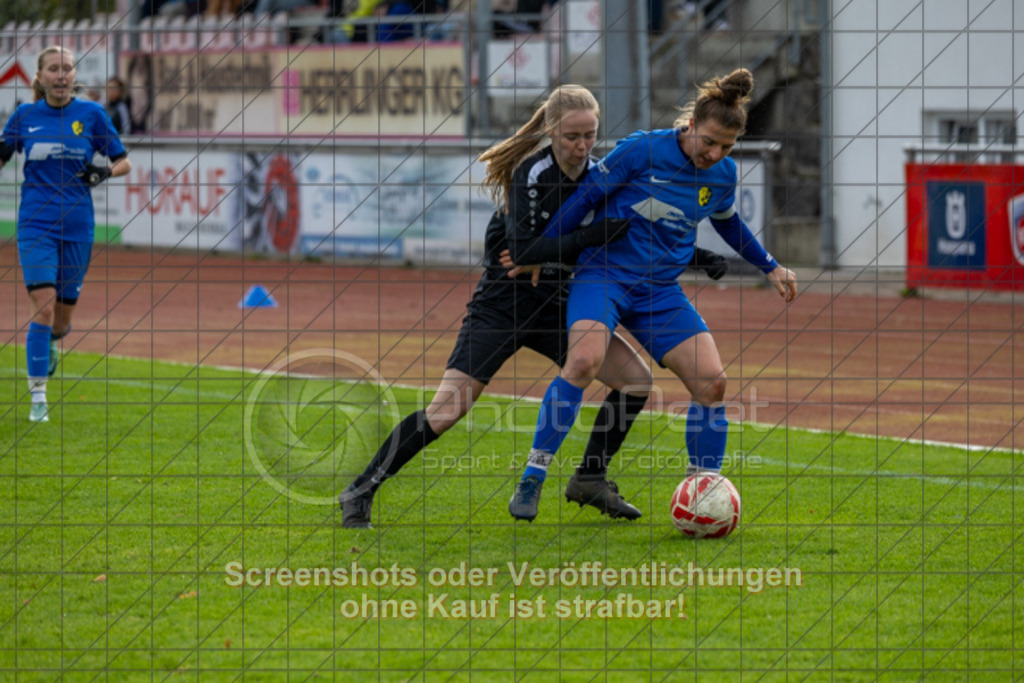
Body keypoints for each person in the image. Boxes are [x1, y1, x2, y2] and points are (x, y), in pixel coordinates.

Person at [338, 84, 727, 528]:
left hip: (559, 304)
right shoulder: (532, 173)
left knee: (635, 382)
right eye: (571, 137)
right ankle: (361, 489)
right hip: (503, 305)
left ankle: (590, 478)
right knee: (448, 410)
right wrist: (569, 246)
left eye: (590, 136)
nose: (582, 147)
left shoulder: (602, 175)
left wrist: (703, 258)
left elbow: (631, 238)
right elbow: (523, 253)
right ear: (550, 131)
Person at [508, 68, 797, 521]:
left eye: (726, 146)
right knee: (583, 361)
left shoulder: (722, 173)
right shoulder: (642, 150)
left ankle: (703, 493)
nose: (715, 153)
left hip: (659, 290)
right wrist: (542, 251)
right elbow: (583, 201)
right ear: (691, 126)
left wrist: (770, 265)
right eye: (709, 142)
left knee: (713, 383)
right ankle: (533, 476)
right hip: (603, 274)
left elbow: (726, 221)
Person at [0, 46, 132, 423]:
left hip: (77, 227)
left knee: (59, 321)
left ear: (75, 76)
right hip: (35, 224)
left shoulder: (92, 114)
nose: (61, 75)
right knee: (41, 309)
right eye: (53, 69)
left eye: (67, 69)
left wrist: (103, 173)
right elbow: (2, 155)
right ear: (39, 77)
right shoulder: (24, 116)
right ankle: (38, 398)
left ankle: (53, 342)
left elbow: (124, 160)